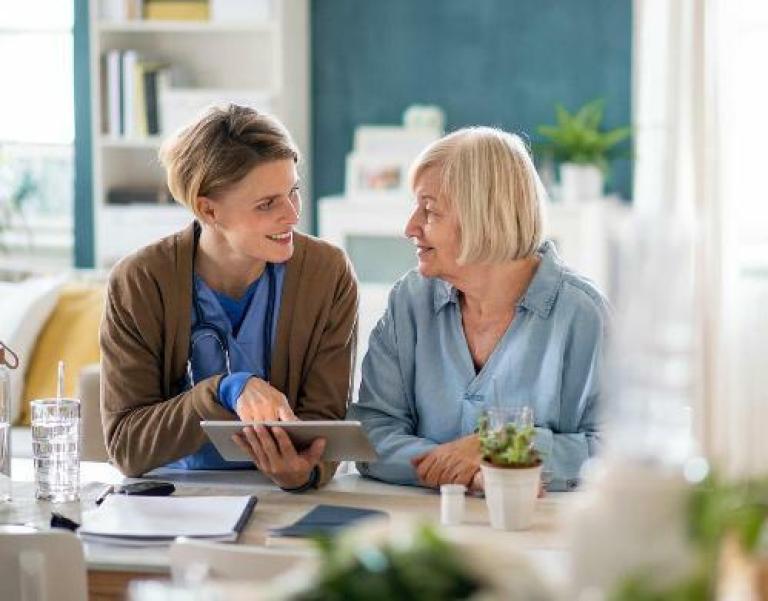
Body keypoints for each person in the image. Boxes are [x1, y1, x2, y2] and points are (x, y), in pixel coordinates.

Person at [100, 104, 358, 492]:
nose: (291, 215)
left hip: (282, 498)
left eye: (294, 193)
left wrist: (304, 472)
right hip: (174, 499)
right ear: (208, 208)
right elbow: (126, 445)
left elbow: (325, 424)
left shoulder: (327, 274)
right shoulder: (140, 282)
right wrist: (224, 389)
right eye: (267, 204)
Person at [349, 126, 608, 492]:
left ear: (483, 216)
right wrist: (469, 470)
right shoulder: (409, 300)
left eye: (429, 210)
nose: (410, 227)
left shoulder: (584, 316)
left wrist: (499, 446)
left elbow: (616, 451)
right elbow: (373, 430)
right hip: (424, 522)